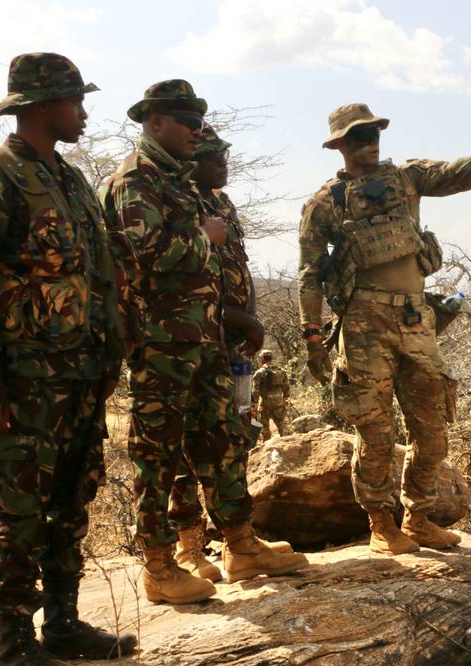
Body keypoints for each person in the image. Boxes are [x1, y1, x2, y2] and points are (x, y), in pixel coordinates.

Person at [298, 102, 471, 555]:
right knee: (376, 433)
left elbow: (462, 171)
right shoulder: (323, 204)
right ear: (340, 145)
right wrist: (313, 337)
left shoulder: (407, 178)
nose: (370, 142)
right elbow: (309, 273)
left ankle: (418, 518)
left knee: (432, 429)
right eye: (359, 136)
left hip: (414, 320)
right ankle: (380, 524)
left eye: (373, 133)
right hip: (363, 326)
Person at [0, 52, 136, 666]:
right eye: (74, 101)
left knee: (71, 503)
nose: (83, 113)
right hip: (25, 380)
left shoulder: (73, 180)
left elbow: (101, 275)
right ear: (41, 105)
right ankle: (15, 649)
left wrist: (111, 354)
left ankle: (63, 624)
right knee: (20, 512)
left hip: (81, 375)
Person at [100, 81, 306, 603]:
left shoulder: (179, 180)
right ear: (155, 122)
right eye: (187, 121)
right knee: (158, 453)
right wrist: (203, 237)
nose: (197, 131)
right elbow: (144, 251)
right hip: (161, 343)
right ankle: (159, 565)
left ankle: (241, 545)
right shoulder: (135, 178)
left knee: (221, 441)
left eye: (199, 122)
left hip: (204, 339)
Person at [166, 125, 291, 582]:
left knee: (229, 440)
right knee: (183, 446)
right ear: (191, 159)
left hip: (230, 344)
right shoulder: (179, 201)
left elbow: (239, 266)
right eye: (214, 156)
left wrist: (251, 321)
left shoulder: (223, 203)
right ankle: (187, 548)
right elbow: (182, 277)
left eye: (225, 154)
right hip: (190, 336)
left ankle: (240, 543)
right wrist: (233, 318)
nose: (224, 163)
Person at [252, 350, 292, 441]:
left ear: (262, 359)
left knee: (265, 425)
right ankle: (287, 442)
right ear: (271, 358)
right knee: (281, 424)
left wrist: (255, 403)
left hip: (265, 403)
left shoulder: (259, 373)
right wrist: (285, 398)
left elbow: (256, 390)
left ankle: (266, 444)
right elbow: (286, 386)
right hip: (278, 401)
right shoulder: (281, 371)